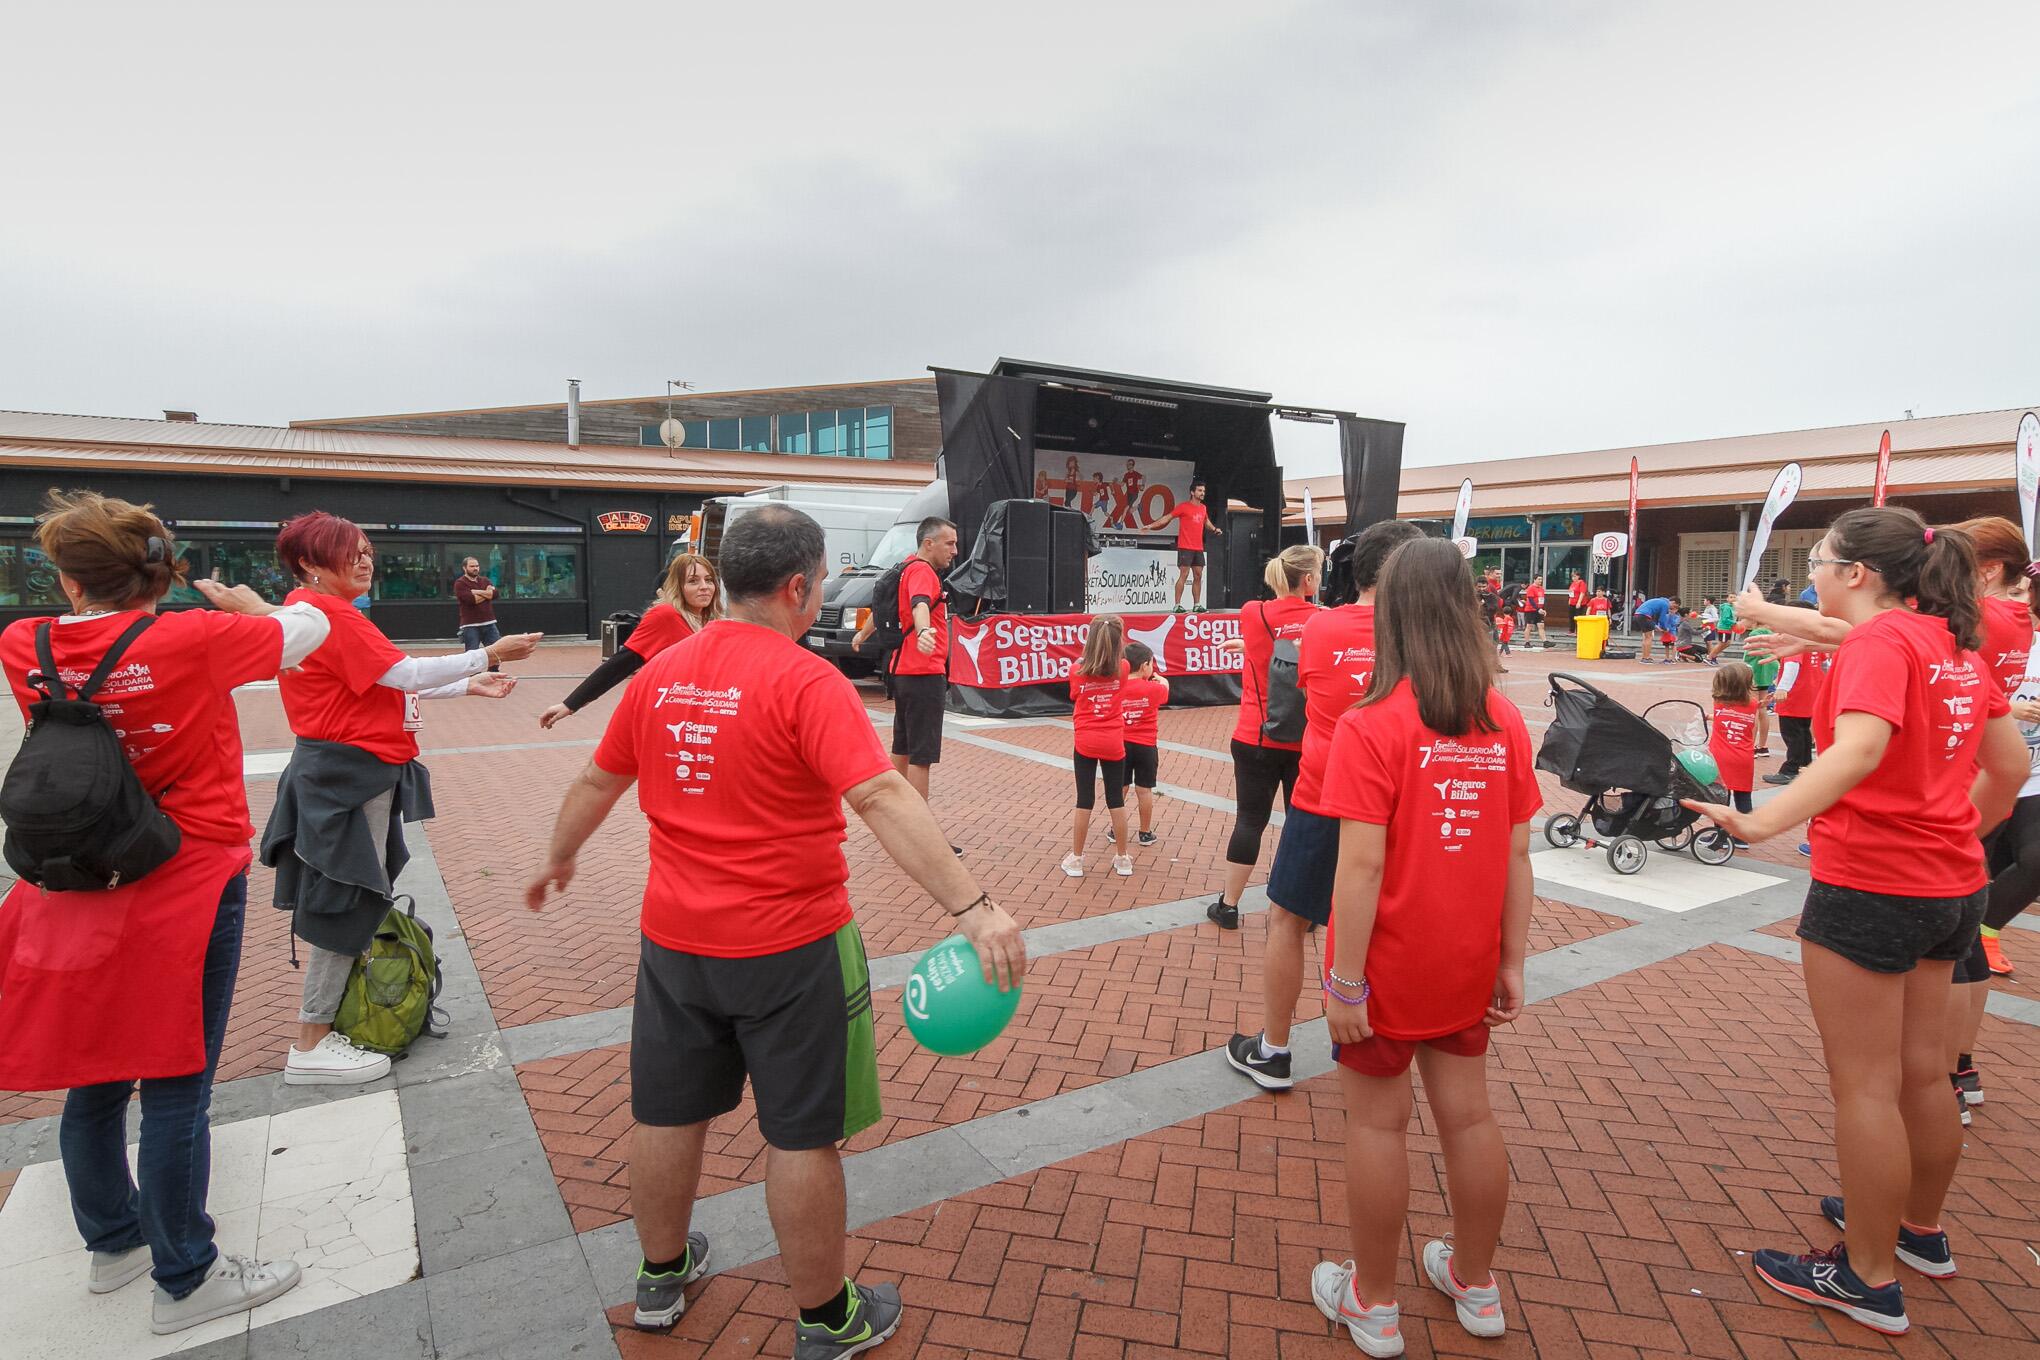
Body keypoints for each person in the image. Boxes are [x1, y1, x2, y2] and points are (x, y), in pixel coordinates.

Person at [524, 505, 1025, 1350]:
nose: (822, 592)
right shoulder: (806, 680)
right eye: (824, 580)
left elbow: (595, 780)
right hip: (791, 948)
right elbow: (880, 793)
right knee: (801, 1134)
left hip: (676, 944)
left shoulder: (664, 672)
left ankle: (659, 1278)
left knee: (668, 1113)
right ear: (798, 586)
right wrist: (973, 907)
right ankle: (828, 1317)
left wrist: (557, 857)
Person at [1684, 508, 2025, 1336]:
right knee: (1920, 1073)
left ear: (1857, 575)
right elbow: (2009, 767)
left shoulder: (1881, 644)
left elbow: (1860, 749)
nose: (1814, 577)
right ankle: (1917, 1233)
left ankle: (1867, 1277)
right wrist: (1951, 835)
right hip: (1950, 887)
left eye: (1822, 563)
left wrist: (1761, 821)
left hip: (1872, 883)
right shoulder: (1950, 639)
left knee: (1866, 1086)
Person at [0, 490, 330, 1333]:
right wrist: (252, 604)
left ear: (72, 581)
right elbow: (308, 631)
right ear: (161, 573)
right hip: (187, 874)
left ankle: (114, 1242)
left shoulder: (23, 642)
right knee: (180, 1079)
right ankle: (187, 1275)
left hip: (82, 873)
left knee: (99, 1068)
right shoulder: (190, 638)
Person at [1308, 536, 1540, 1354]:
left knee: (1377, 1131)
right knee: (1469, 1122)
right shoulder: (1502, 719)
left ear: (1392, 614)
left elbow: (1360, 865)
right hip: (1465, 961)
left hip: (1384, 968)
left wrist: (1342, 982)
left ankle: (1373, 1303)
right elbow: (1517, 854)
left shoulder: (1372, 725)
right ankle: (1476, 1284)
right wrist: (1512, 959)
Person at [251, 512, 538, 1086]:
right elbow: (404, 672)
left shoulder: (318, 615)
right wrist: (488, 654)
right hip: (347, 777)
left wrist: (465, 682)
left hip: (352, 772)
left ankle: (334, 1019)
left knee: (353, 893)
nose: (364, 560)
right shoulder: (328, 615)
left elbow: (384, 681)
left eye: (366, 550)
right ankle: (311, 1041)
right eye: (348, 551)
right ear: (309, 563)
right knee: (346, 898)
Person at [1228, 520, 1419, 1090]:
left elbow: (1307, 692)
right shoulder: (1424, 637)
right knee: (1386, 923)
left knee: (1287, 919)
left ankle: (1275, 1048)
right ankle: (1386, 1034)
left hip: (1324, 796)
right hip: (1399, 804)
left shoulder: (1320, 629)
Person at [1205, 545, 1323, 929]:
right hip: (1306, 741)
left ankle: (1229, 905)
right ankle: (1299, 912)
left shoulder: (1252, 612)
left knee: (1249, 821)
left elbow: (1274, 647)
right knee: (1300, 824)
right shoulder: (1324, 620)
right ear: (1307, 580)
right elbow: (1303, 654)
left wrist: (1251, 646)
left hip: (1255, 736)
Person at [539, 553, 723, 730]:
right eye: (693, 581)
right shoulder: (665, 615)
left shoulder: (714, 621)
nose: (704, 586)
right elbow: (621, 663)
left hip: (704, 715)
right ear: (678, 586)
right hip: (672, 717)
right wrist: (570, 704)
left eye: (709, 580)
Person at [885, 517, 959, 811]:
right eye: (949, 543)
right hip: (924, 673)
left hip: (902, 672)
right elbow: (919, 604)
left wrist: (862, 634)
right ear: (929, 544)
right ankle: (918, 828)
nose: (954, 550)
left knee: (902, 747)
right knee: (921, 755)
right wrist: (924, 631)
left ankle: (894, 814)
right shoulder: (924, 572)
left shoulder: (905, 566)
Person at [1064, 615, 1133, 877]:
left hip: (1085, 739)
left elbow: (1073, 695)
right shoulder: (1123, 667)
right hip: (1114, 739)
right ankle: (1123, 857)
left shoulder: (1077, 671)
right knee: (1116, 799)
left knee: (1084, 799)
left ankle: (1077, 859)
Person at [1110, 640, 1168, 848]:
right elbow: (1165, 689)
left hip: (1121, 744)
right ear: (1145, 666)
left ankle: (1116, 829)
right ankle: (1145, 832)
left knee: (1121, 787)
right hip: (1146, 745)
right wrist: (1158, 678)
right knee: (1144, 790)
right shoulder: (1153, 688)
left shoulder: (1117, 687)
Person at [1142, 481, 1221, 611]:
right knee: (1184, 574)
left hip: (1198, 547)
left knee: (1198, 575)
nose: (1202, 493)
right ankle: (1177, 605)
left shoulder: (1203, 508)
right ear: (1192, 492)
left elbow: (1206, 521)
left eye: (1204, 491)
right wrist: (1151, 526)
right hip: (1185, 546)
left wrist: (1214, 529)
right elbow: (1167, 517)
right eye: (1200, 491)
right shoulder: (1183, 507)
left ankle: (1196, 605)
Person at [1765, 643, 1828, 785]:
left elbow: (1792, 664)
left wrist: (1782, 688)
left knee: (1792, 734)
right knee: (1804, 732)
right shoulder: (1810, 642)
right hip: (1810, 692)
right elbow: (1825, 664)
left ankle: (1790, 769)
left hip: (1795, 695)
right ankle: (1805, 765)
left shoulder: (1794, 642)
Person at [1708, 662, 1760, 832]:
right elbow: (1748, 724)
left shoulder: (1719, 703)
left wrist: (1708, 717)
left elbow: (1725, 717)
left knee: (1721, 797)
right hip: (1743, 757)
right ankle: (1744, 834)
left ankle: (1720, 834)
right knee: (1743, 797)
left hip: (1720, 756)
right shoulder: (1753, 705)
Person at [453, 556, 503, 671]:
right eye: (472, 566)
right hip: (470, 626)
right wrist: (486, 594)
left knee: (496, 651)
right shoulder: (460, 583)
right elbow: (471, 600)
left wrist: (477, 592)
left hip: (489, 623)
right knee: (472, 655)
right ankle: (473, 677)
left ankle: (493, 673)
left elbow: (494, 595)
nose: (475, 568)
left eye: (477, 566)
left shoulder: (485, 580)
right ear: (464, 568)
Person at [1633, 594, 1677, 662]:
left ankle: (1644, 657)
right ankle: (1646, 658)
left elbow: (1655, 619)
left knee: (1646, 637)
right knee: (1649, 637)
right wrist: (1665, 629)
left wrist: (1658, 627)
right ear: (1673, 602)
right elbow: (1662, 619)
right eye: (1674, 606)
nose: (1672, 608)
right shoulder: (1665, 604)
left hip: (1637, 614)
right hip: (1645, 616)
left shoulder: (1659, 601)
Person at [1523, 575, 1547, 645]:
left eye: (1541, 579)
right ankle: (1527, 642)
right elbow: (1531, 600)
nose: (1540, 581)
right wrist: (1537, 609)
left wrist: (1543, 609)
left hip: (1539, 609)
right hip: (1531, 610)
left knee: (1541, 625)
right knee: (1529, 626)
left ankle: (1545, 641)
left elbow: (1542, 600)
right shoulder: (1531, 588)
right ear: (1534, 580)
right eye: (1539, 579)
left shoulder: (1541, 589)